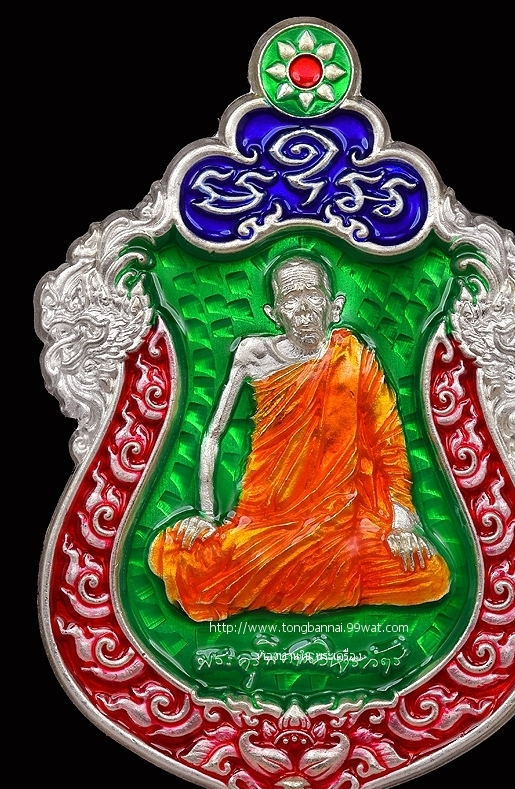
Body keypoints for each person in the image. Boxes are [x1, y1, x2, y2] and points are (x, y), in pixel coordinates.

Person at [149, 255, 450, 621]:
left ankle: (288, 579)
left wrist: (400, 523)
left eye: (313, 294)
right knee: (188, 561)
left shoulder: (353, 357)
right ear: (274, 313)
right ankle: (290, 576)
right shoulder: (254, 354)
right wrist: (207, 515)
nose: (304, 308)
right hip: (265, 521)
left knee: (432, 576)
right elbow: (213, 434)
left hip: (341, 522)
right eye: (290, 298)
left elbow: (389, 444)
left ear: (334, 306)